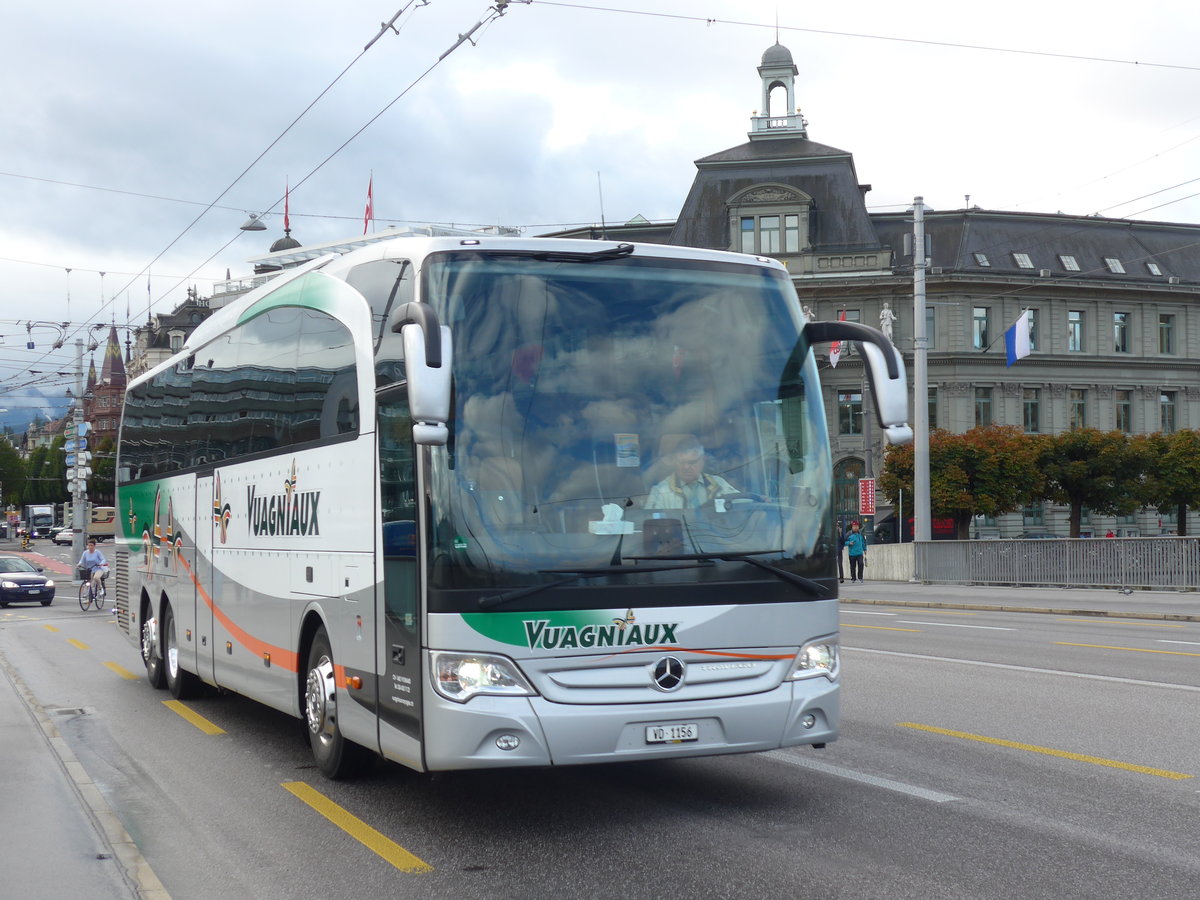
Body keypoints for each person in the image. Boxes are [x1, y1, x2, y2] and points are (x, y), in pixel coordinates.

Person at [645, 437, 738, 509]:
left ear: (702, 461)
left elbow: (744, 506)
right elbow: (651, 523)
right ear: (675, 462)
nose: (686, 467)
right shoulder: (660, 491)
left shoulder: (720, 485)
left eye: (692, 462)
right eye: (681, 462)